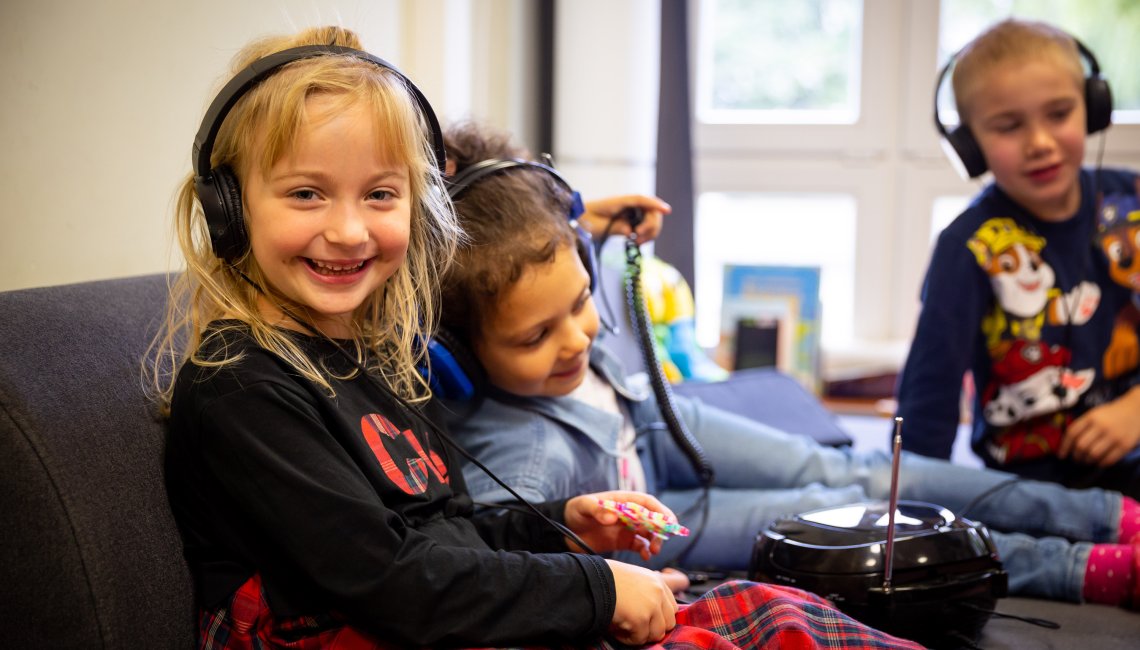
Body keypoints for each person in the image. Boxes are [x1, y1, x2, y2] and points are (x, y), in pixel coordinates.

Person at [150, 25, 926, 649]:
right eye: (307, 193)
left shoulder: (375, 359)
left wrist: (560, 524)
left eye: (381, 194)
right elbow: (387, 581)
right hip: (358, 629)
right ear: (226, 209)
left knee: (777, 610)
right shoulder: (242, 390)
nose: (349, 229)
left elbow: (440, 536)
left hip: (433, 610)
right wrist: (597, 592)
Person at [434, 120, 1140, 613]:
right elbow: (497, 556)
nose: (576, 340)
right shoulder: (518, 463)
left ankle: (1107, 516)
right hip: (660, 515)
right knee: (845, 517)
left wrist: (582, 217)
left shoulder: (553, 258)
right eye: (535, 337)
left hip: (646, 414)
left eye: (582, 302)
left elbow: (527, 226)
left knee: (849, 467)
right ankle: (1086, 570)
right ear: (462, 353)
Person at [896, 18, 1140, 498]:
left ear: (1092, 108)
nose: (1040, 142)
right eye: (1009, 126)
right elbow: (930, 392)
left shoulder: (1130, 201)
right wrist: (913, 510)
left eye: (1059, 113)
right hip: (1026, 485)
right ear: (970, 147)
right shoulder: (968, 246)